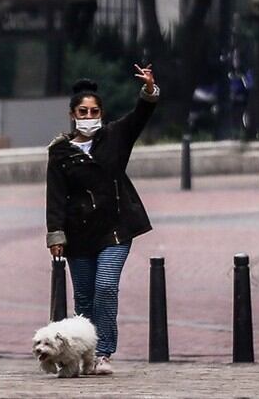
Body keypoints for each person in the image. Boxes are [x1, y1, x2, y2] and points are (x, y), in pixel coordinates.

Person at [45, 65, 159, 375]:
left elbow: (140, 116)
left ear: (101, 112)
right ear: (73, 114)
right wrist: (56, 235)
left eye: (94, 110)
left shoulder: (115, 136)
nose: (88, 115)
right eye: (83, 111)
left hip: (116, 229)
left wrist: (148, 90)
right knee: (84, 295)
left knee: (106, 287)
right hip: (78, 233)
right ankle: (85, 353)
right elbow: (55, 196)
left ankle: (104, 352)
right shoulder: (59, 153)